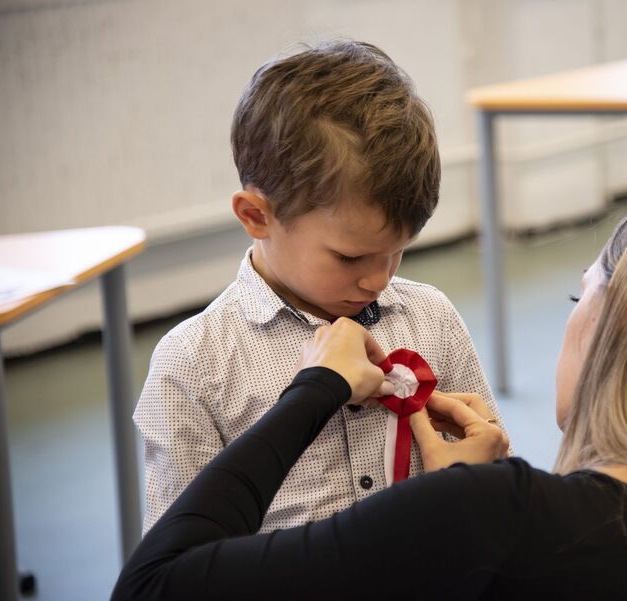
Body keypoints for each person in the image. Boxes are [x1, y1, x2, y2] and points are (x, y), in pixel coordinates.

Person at [113, 183, 627, 601]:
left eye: (575, 294)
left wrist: (316, 388)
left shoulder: (483, 514)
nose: (374, 280)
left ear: (618, 329)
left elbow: (152, 586)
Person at [132, 40, 506, 535]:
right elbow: (181, 566)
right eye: (349, 257)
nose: (378, 278)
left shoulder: (431, 317)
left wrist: (487, 482)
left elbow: (496, 479)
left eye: (397, 250)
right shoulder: (194, 368)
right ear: (256, 216)